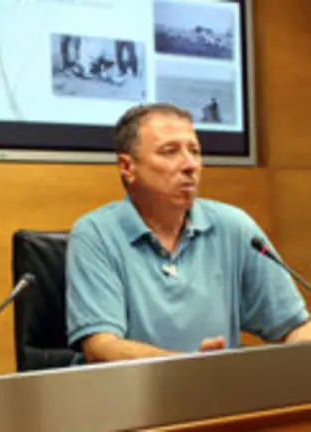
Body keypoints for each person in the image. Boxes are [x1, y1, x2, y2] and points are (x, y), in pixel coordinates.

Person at [66, 102, 311, 363]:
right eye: (170, 152)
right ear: (128, 167)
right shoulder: (96, 234)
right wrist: (190, 370)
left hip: (222, 396)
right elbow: (101, 346)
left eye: (194, 151)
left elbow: (294, 327)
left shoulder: (234, 227)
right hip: (132, 398)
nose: (190, 164)